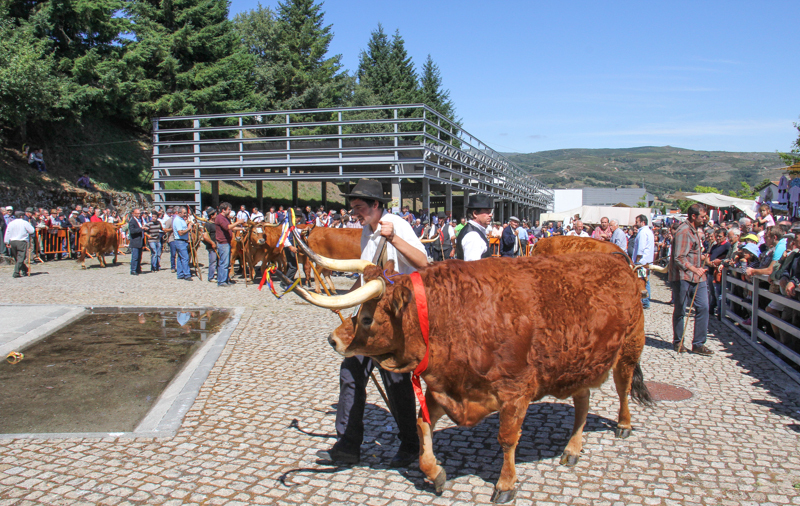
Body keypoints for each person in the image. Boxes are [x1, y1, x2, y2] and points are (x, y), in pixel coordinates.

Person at [317, 179, 426, 468]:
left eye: (360, 208)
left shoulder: (396, 224)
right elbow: (367, 273)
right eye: (353, 209)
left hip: (396, 320)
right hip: (370, 318)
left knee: (396, 381)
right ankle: (347, 446)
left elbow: (424, 262)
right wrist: (344, 300)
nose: (356, 214)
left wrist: (393, 239)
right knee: (351, 372)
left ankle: (410, 444)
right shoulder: (367, 230)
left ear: (377, 205)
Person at [669, 204, 713, 356]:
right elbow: (679, 257)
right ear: (693, 216)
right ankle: (678, 341)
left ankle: (698, 344)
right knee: (681, 309)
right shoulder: (684, 231)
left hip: (698, 277)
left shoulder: (695, 231)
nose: (705, 219)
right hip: (683, 276)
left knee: (704, 307)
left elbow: (691, 253)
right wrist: (695, 268)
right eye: (702, 216)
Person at [456, 194, 493, 261]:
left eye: (490, 212)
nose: (490, 215)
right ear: (475, 213)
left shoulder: (472, 230)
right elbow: (472, 268)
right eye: (487, 211)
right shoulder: (473, 235)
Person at [214, 202, 244, 287]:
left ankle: (226, 279)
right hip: (223, 243)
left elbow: (231, 227)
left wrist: (241, 228)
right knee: (224, 263)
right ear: (223, 210)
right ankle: (221, 281)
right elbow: (228, 227)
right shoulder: (220, 218)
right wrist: (238, 222)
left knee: (227, 263)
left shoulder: (225, 218)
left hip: (227, 242)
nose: (230, 211)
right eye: (229, 209)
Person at [632, 214, 654, 309]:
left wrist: (637, 261)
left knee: (643, 281)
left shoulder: (643, 232)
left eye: (637, 222)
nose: (636, 224)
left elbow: (641, 248)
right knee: (645, 280)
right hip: (646, 261)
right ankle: (645, 301)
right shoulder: (648, 231)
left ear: (642, 222)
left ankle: (645, 302)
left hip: (642, 262)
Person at [4, 211, 35, 277]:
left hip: (13, 241)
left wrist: (7, 241)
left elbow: (7, 232)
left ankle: (25, 269)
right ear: (21, 216)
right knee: (21, 257)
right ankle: (16, 272)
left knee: (17, 258)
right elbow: (32, 231)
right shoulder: (25, 223)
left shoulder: (11, 223)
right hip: (21, 241)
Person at [172, 206, 192, 281]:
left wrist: (187, 223)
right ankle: (187, 274)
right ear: (179, 213)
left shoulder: (181, 220)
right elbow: (180, 232)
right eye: (184, 213)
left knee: (180, 258)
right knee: (185, 258)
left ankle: (180, 274)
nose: (185, 214)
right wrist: (189, 228)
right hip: (180, 241)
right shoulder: (177, 220)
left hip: (182, 241)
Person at [202, 207, 218, 282]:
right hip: (212, 246)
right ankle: (211, 277)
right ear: (212, 216)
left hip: (218, 244)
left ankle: (219, 275)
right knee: (213, 261)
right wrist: (212, 242)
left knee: (219, 261)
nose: (217, 215)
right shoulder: (208, 224)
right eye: (215, 214)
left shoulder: (216, 223)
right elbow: (205, 236)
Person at [128, 209, 144, 275]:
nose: (138, 215)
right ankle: (133, 270)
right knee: (135, 257)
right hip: (135, 241)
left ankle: (138, 268)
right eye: (137, 213)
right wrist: (141, 229)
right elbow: (132, 231)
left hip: (140, 241)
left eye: (139, 213)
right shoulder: (132, 221)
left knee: (139, 256)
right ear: (133, 213)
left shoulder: (140, 220)